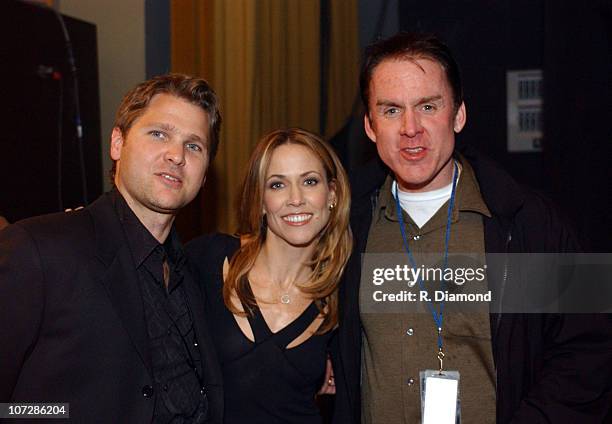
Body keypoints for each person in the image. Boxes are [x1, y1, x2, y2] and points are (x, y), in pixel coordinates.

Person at [332, 32, 612, 423]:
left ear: (459, 114)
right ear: (370, 126)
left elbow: (592, 348)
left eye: (428, 106)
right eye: (391, 110)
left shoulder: (525, 222)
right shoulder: (344, 228)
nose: (411, 127)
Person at [0, 74, 224, 423]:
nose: (177, 155)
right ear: (117, 143)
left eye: (194, 146)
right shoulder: (40, 250)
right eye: (159, 134)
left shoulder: (195, 274)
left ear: (205, 174)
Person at [186, 128, 352, 423]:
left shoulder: (342, 293)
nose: (296, 199)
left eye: (310, 181)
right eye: (277, 185)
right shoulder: (207, 259)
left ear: (333, 194)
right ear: (261, 200)